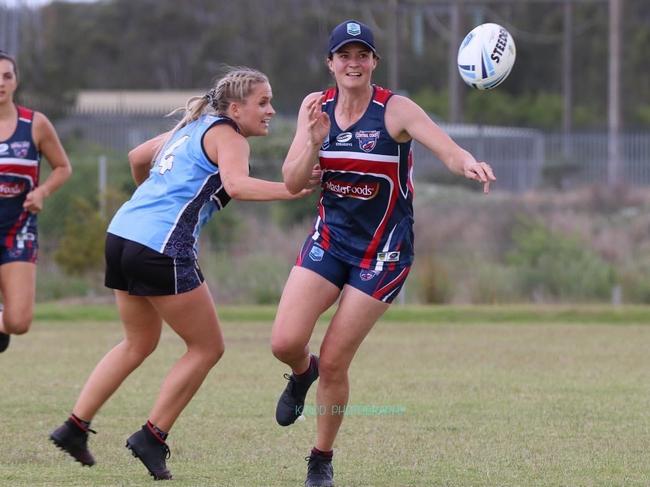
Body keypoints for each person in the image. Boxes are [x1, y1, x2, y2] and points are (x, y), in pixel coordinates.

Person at [50, 66, 315, 481]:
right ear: (235, 107)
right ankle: (151, 437)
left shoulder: (192, 126)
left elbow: (137, 158)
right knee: (206, 348)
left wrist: (152, 197)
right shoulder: (228, 135)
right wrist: (291, 188)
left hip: (122, 234)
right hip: (159, 247)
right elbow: (239, 185)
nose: (270, 110)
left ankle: (73, 427)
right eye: (262, 102)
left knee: (137, 343)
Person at [270, 20, 496, 487]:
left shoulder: (396, 110)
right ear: (330, 63)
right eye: (344, 55)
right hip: (330, 241)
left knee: (335, 360)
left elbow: (447, 149)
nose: (354, 63)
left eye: (362, 55)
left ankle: (321, 459)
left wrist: (467, 164)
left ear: (374, 61)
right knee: (284, 343)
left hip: (383, 254)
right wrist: (313, 140)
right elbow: (292, 182)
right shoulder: (315, 108)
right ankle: (299, 373)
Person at [0, 51, 72, 353]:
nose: (0, 83)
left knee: (18, 322)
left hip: (18, 229)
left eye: (7, 76)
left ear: (16, 81)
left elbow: (63, 167)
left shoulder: (35, 124)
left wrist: (42, 192)